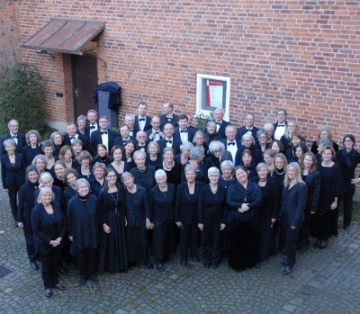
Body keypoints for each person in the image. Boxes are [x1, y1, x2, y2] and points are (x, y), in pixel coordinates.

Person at [31, 186, 66, 297]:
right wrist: (50, 241)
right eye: (45, 195)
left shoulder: (56, 206)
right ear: (41, 197)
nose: (47, 197)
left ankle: (55, 282)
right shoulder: (36, 210)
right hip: (45, 244)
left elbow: (63, 223)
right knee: (46, 265)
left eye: (49, 195)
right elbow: (36, 230)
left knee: (56, 263)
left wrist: (60, 237)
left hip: (58, 242)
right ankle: (47, 286)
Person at [226, 166, 263, 271]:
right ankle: (238, 265)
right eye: (238, 174)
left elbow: (259, 200)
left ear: (246, 173)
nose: (241, 175)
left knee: (250, 242)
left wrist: (248, 207)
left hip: (251, 219)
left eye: (242, 173)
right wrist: (240, 205)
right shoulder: (232, 187)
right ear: (235, 177)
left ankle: (250, 262)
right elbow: (228, 201)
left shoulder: (254, 185)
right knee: (237, 243)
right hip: (237, 220)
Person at [67, 179, 100, 286]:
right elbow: (69, 219)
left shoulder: (94, 199)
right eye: (81, 187)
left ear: (89, 188)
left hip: (92, 231)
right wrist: (70, 233)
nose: (84, 189)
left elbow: (99, 216)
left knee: (92, 253)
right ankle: (83, 274)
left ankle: (91, 273)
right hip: (79, 232)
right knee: (81, 254)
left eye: (86, 187)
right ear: (77, 190)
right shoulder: (72, 202)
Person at [280, 162, 307, 275]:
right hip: (285, 217)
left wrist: (294, 222)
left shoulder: (302, 186)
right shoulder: (287, 183)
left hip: (294, 219)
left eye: (293, 171)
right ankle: (289, 259)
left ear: (297, 172)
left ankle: (291, 263)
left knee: (291, 241)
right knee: (288, 240)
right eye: (289, 170)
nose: (290, 173)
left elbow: (301, 206)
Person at [98, 169, 128, 273]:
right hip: (109, 218)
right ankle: (112, 266)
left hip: (119, 217)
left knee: (121, 240)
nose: (112, 178)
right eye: (110, 176)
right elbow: (101, 210)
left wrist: (124, 217)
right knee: (111, 242)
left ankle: (122, 265)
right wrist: (104, 224)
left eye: (114, 176)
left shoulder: (120, 188)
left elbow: (123, 205)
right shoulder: (103, 192)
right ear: (106, 177)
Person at [121, 172, 153, 269]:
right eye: (125, 180)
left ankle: (146, 259)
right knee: (131, 241)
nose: (127, 181)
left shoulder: (142, 190)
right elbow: (121, 207)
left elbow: (147, 206)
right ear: (123, 182)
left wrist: (148, 219)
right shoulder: (123, 191)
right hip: (129, 220)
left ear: (133, 179)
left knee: (143, 240)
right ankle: (132, 260)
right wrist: (124, 217)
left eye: (129, 179)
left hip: (141, 219)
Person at [198, 167, 227, 269]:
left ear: (218, 177)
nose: (214, 177)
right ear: (209, 177)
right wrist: (200, 221)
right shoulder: (204, 189)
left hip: (218, 219)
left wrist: (224, 221)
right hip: (206, 219)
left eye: (216, 175)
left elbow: (225, 207)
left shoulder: (223, 189)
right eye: (212, 176)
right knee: (205, 240)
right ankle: (206, 259)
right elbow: (200, 206)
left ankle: (215, 260)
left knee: (216, 240)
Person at [175, 164, 204, 266]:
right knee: (184, 238)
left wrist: (201, 220)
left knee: (194, 237)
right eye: (188, 174)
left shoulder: (201, 185)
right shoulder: (180, 187)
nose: (190, 176)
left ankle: (194, 255)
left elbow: (202, 203)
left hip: (196, 216)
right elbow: (177, 203)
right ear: (185, 175)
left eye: (192, 174)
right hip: (184, 217)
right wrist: (177, 219)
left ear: (195, 174)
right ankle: (183, 258)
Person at [314, 146, 342, 249]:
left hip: (329, 196)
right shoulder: (318, 165)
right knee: (318, 216)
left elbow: (337, 185)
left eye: (328, 154)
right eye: (324, 154)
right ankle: (318, 236)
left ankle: (324, 238)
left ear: (332, 155)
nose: (326, 155)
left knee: (326, 218)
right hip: (319, 195)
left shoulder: (335, 168)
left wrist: (335, 201)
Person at [149, 169, 177, 272]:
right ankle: (159, 260)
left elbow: (175, 203)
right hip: (158, 219)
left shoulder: (172, 187)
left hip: (170, 217)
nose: (161, 181)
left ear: (166, 178)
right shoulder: (153, 191)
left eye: (163, 178)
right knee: (159, 240)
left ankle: (165, 255)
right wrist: (150, 220)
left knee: (168, 237)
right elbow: (150, 206)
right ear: (156, 180)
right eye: (159, 179)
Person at [253, 163, 279, 263]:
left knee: (266, 235)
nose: (262, 172)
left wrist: (274, 215)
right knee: (256, 234)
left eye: (264, 170)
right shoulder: (253, 181)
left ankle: (263, 255)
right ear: (257, 172)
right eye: (260, 171)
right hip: (256, 213)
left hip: (268, 214)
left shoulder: (273, 183)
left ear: (267, 171)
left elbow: (276, 200)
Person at [17, 166, 39, 270]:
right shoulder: (23, 188)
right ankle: (32, 259)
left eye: (34, 174)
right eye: (31, 175)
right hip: (28, 218)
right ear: (27, 176)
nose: (33, 176)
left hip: (40, 218)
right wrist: (19, 220)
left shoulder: (41, 185)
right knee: (30, 240)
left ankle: (40, 256)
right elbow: (20, 205)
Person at [337, 134, 360, 230]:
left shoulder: (357, 154)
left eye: (350, 141)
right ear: (343, 142)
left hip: (349, 181)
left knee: (348, 203)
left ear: (353, 143)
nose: (348, 143)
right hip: (339, 180)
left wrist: (359, 179)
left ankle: (346, 223)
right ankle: (334, 222)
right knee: (336, 201)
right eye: (346, 141)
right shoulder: (339, 153)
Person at [299, 152, 321, 252]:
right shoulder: (298, 170)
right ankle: (297, 241)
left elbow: (317, 191)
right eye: (306, 159)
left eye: (309, 160)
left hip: (308, 202)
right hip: (298, 201)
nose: (307, 161)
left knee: (306, 224)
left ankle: (304, 242)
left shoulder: (316, 174)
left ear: (313, 162)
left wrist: (313, 207)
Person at [1, 138, 26, 225]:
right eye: (8, 147)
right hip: (10, 183)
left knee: (22, 199)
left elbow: (25, 169)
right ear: (5, 148)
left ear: (15, 147)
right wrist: (4, 186)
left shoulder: (20, 156)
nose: (11, 148)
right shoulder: (3, 158)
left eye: (12, 146)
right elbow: (3, 172)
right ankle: (16, 218)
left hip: (21, 181)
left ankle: (22, 216)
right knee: (13, 200)